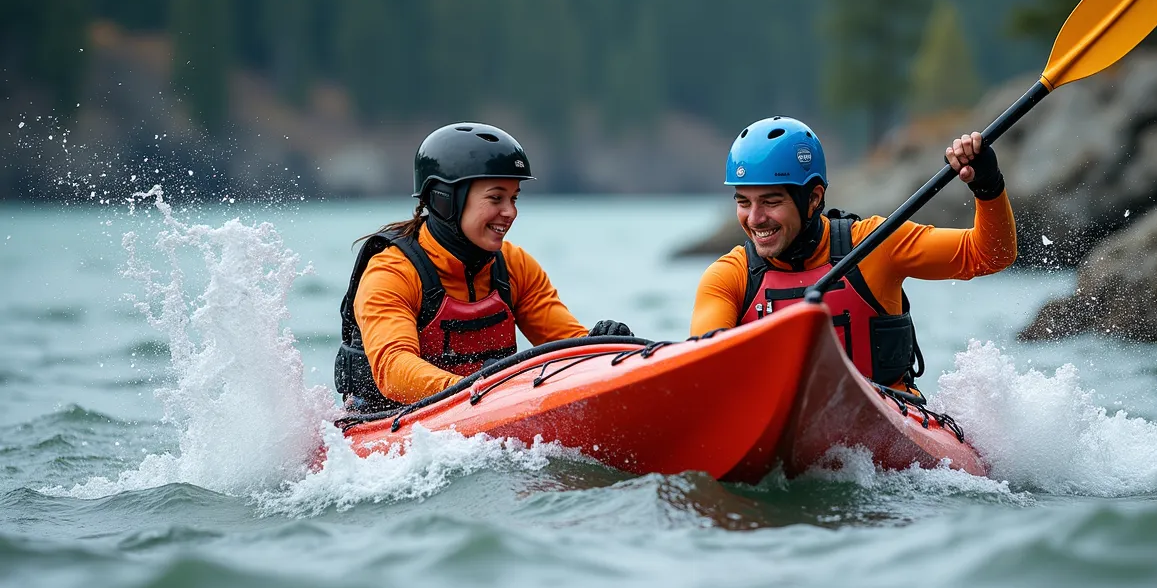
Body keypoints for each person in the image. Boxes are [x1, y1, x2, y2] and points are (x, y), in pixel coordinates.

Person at [690, 116, 1017, 393]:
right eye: (743, 202)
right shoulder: (730, 276)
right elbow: (702, 365)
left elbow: (990, 254)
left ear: (814, 198)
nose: (755, 218)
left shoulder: (875, 245)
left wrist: (987, 185)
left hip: (890, 431)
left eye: (771, 202)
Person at [336, 122, 632, 412]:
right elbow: (394, 369)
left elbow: (566, 347)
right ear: (445, 200)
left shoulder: (515, 265)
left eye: (514, 198)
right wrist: (476, 390)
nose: (510, 212)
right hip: (391, 427)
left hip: (487, 406)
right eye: (496, 198)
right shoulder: (392, 272)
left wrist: (601, 348)